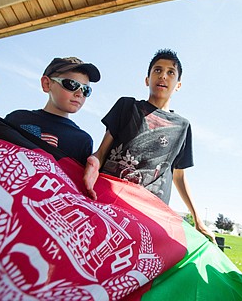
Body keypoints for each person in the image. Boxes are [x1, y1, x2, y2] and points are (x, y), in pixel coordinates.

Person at [83, 49, 215, 242]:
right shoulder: (126, 106)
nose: (163, 75)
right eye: (157, 70)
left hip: (149, 213)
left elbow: (179, 176)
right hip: (109, 200)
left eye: (171, 72)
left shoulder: (183, 126)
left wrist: (197, 219)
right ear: (147, 79)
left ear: (178, 85)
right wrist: (93, 163)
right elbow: (102, 151)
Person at [0, 57, 100, 166]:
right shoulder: (18, 118)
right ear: (47, 84)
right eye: (72, 84)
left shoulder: (83, 140)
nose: (79, 93)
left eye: (86, 89)